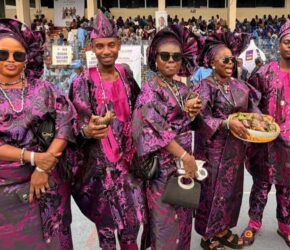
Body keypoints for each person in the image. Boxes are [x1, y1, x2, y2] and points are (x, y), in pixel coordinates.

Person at [68, 11, 143, 250]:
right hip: (100, 170)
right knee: (107, 229)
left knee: (132, 225)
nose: (106, 51)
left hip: (129, 163)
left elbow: (141, 107)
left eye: (111, 45)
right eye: (100, 46)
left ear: (119, 45)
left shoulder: (126, 74)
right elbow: (72, 123)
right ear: (92, 47)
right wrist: (87, 131)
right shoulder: (83, 82)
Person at [0, 18, 75, 249]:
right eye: (3, 54)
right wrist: (33, 158)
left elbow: (66, 122)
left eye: (18, 55)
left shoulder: (43, 89)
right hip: (7, 194)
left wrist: (43, 166)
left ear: (27, 57)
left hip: (49, 185)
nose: (11, 61)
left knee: (55, 241)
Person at [241, 19, 290, 250]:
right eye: (287, 42)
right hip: (267, 143)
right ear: (279, 44)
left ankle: (285, 227)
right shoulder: (264, 72)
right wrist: (259, 122)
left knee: (289, 189)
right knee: (261, 186)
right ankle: (253, 223)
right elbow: (250, 102)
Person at [132, 25, 202, 250]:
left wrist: (193, 111)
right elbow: (156, 131)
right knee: (164, 223)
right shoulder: (149, 91)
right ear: (155, 59)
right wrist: (185, 156)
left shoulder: (180, 89)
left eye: (176, 56)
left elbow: (189, 119)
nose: (171, 61)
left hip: (182, 165)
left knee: (182, 218)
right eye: (165, 56)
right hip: (162, 170)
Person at [194, 32, 258, 250]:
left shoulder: (239, 85)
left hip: (235, 150)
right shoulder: (205, 86)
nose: (231, 63)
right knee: (211, 193)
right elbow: (200, 117)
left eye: (233, 59)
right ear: (212, 63)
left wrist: (259, 119)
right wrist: (225, 123)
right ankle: (207, 237)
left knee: (231, 192)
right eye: (225, 60)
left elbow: (252, 109)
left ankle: (223, 229)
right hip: (212, 151)